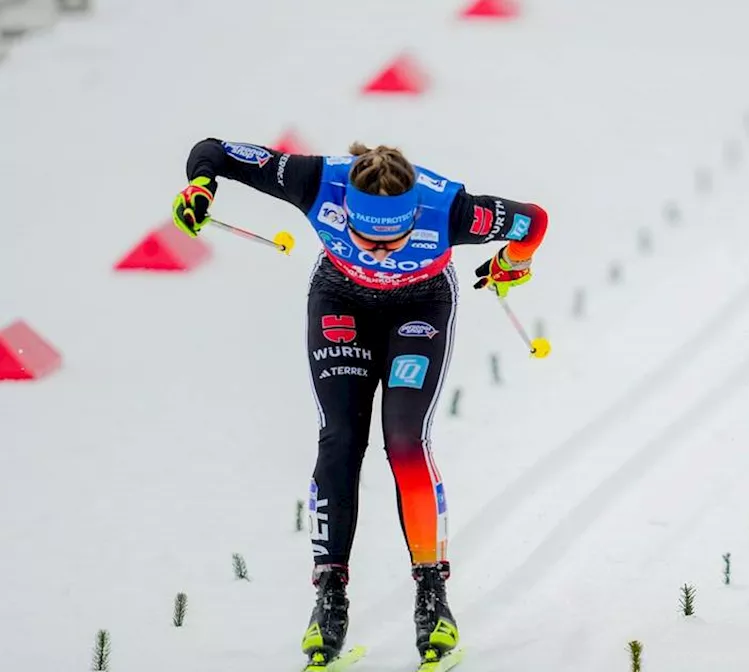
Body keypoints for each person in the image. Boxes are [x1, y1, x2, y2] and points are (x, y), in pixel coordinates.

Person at [172, 139, 548, 671]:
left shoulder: (452, 209)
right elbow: (214, 150)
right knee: (341, 440)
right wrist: (200, 186)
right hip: (340, 300)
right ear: (343, 209)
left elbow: (532, 221)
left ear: (414, 214)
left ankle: (432, 594)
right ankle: (328, 597)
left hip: (421, 306)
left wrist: (513, 262)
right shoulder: (314, 180)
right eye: (365, 238)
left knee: (404, 440)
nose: (378, 252)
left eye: (392, 241)